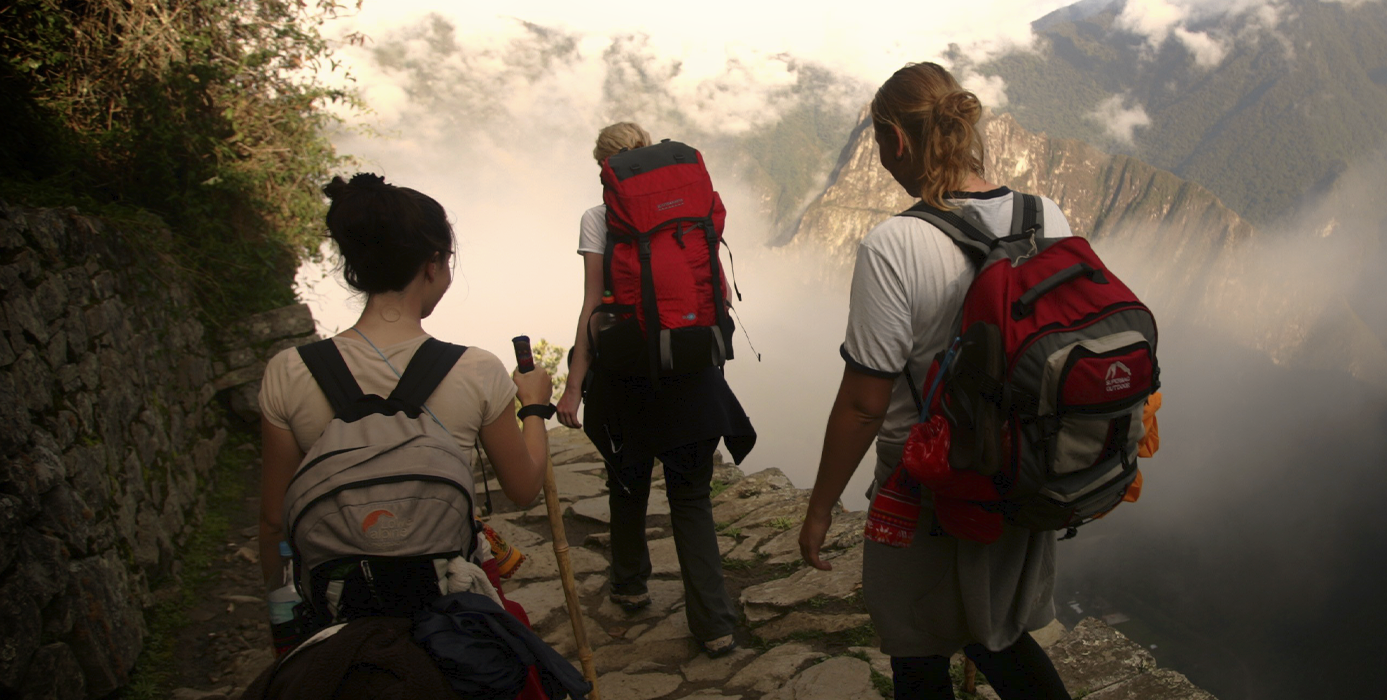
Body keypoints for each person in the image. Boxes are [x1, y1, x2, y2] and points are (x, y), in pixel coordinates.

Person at [795, 62, 1073, 700]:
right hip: (1024, 467)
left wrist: (818, 509)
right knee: (996, 628)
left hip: (925, 480)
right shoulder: (1044, 214)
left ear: (895, 140)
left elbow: (866, 405)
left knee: (917, 649)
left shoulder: (894, 245)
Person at [256, 174, 554, 685]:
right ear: (433, 263)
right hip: (449, 618)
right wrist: (533, 408)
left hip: (341, 615)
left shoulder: (289, 371)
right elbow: (524, 488)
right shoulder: (476, 370)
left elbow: (272, 519)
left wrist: (284, 615)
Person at [554, 121, 754, 658]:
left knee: (627, 482)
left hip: (626, 380)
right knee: (692, 499)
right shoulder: (688, 214)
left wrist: (574, 385)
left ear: (604, 168)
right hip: (691, 376)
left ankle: (630, 583)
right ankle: (714, 624)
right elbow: (717, 295)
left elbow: (594, 304)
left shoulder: (597, 219)